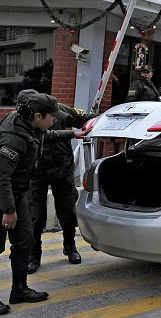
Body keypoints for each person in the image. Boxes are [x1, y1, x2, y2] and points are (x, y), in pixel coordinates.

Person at [0, 93, 89, 315]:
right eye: (50, 116)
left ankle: (19, 289)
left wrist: (73, 133)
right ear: (37, 116)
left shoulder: (31, 127)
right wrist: (8, 210)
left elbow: (48, 134)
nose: (54, 120)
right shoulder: (13, 139)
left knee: (24, 240)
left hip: (15, 194)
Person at [20, 90, 97, 274]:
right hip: (36, 174)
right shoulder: (21, 121)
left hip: (62, 170)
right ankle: (34, 254)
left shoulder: (59, 110)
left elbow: (86, 119)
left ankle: (70, 247)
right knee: (35, 216)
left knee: (67, 212)